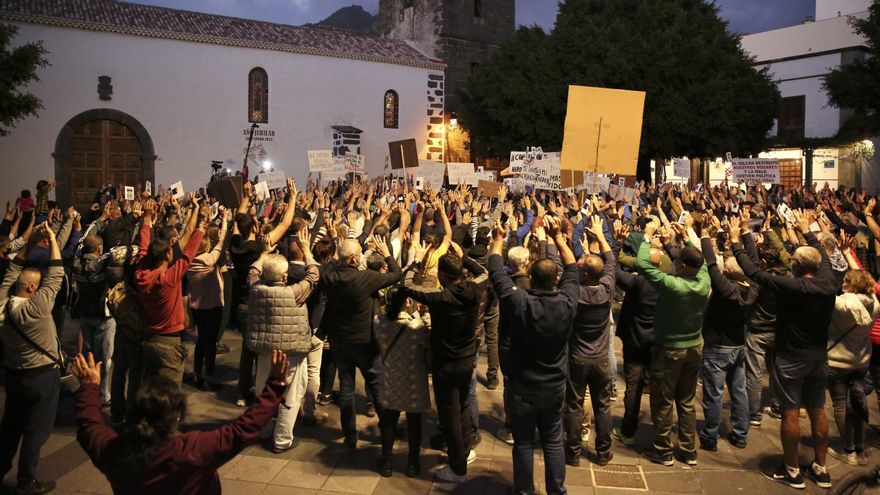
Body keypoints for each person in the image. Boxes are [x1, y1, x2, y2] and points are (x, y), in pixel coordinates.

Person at [71, 350, 291, 494]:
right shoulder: (193, 449)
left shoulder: (112, 450)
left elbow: (89, 426)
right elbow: (244, 429)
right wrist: (275, 385)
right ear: (177, 416)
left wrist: (89, 387)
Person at [732, 210, 839, 489]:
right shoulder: (829, 282)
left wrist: (735, 241)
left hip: (791, 357)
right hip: (818, 356)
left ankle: (792, 470)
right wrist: (807, 230)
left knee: (791, 412)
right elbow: (823, 256)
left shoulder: (793, 286)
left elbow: (753, 271)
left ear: (799, 266)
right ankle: (821, 468)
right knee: (817, 410)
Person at [488, 217, 579, 495]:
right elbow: (573, 267)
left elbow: (495, 270)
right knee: (553, 441)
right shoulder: (567, 302)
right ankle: (556, 491)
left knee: (524, 443)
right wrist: (558, 238)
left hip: (522, 385)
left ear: (532, 279)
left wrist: (499, 238)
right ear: (556, 281)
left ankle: (524, 490)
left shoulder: (519, 302)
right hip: (554, 385)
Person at [404, 235, 489, 483]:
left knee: (449, 414)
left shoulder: (441, 297)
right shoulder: (474, 289)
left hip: (446, 363)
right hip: (467, 358)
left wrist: (416, 261)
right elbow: (482, 271)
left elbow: (408, 285)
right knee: (462, 407)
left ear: (441, 275)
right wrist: (463, 256)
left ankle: (457, 467)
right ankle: (464, 449)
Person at [638, 217, 710, 467]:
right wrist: (687, 237)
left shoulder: (672, 285)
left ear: (683, 266)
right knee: (687, 399)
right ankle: (689, 450)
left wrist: (647, 236)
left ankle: (663, 449)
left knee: (663, 399)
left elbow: (643, 265)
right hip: (694, 347)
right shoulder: (704, 279)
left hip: (669, 349)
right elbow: (699, 257)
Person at [320, 235, 401, 449]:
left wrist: (340, 252)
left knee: (346, 388)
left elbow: (330, 264)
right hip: (365, 342)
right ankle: (386, 437)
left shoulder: (329, 277)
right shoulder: (365, 278)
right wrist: (387, 254)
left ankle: (350, 437)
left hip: (339, 341)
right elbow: (396, 274)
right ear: (355, 260)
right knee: (377, 388)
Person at [0, 223, 63, 495]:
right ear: (31, 288)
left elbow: (12, 272)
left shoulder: (1, 303)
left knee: (10, 428)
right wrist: (50, 237)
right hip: (41, 376)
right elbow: (57, 274)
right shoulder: (37, 308)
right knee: (36, 431)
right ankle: (27, 481)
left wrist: (30, 243)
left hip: (13, 373)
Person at [246, 227, 319, 453]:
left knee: (262, 391)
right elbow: (314, 275)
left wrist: (264, 254)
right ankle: (282, 439)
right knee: (291, 395)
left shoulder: (256, 289)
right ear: (285, 276)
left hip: (265, 350)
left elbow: (252, 272)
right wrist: (307, 251)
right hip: (292, 353)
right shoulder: (295, 292)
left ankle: (264, 429)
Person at [697, 216, 758, 451]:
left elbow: (711, 264)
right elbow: (753, 263)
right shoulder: (752, 288)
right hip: (738, 345)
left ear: (728, 273)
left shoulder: (726, 290)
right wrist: (743, 234)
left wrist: (704, 235)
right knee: (738, 391)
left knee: (714, 393)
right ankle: (740, 433)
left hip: (717, 347)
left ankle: (710, 436)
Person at [135, 197, 205, 387]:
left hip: (149, 337)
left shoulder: (141, 273)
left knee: (149, 388)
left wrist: (147, 218)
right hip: (169, 341)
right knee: (170, 394)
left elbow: (143, 246)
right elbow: (188, 255)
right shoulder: (168, 278)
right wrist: (200, 227)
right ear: (167, 254)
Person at [564, 215, 617, 467]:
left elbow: (568, 270)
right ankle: (604, 452)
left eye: (580, 263)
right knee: (603, 406)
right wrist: (601, 237)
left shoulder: (575, 293)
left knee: (574, 405)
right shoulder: (606, 289)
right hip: (601, 358)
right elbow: (611, 263)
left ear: (583, 273)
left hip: (577, 357)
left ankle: (573, 452)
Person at [374, 288, 432, 478]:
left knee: (389, 421)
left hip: (391, 377)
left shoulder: (379, 322)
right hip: (413, 379)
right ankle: (413, 463)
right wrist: (424, 316)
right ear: (407, 302)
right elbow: (427, 342)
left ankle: (387, 461)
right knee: (414, 423)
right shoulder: (416, 327)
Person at [825, 269, 878, 466]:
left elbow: (826, 289)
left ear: (852, 286)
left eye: (846, 282)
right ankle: (861, 449)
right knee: (859, 403)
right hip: (861, 361)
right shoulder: (874, 304)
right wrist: (847, 254)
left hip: (838, 361)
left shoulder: (840, 306)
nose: (843, 285)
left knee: (840, 404)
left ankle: (848, 450)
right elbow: (869, 289)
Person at [185, 207, 229, 390]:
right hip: (213, 306)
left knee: (201, 339)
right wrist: (225, 218)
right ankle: (209, 376)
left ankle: (196, 372)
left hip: (196, 306)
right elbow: (222, 238)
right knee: (210, 343)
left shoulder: (187, 262)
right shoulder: (210, 259)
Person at [71, 233, 116, 405]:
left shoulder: (76, 264)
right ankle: (103, 395)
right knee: (104, 358)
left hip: (84, 313)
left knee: (87, 354)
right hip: (102, 316)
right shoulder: (102, 266)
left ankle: (85, 390)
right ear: (99, 248)